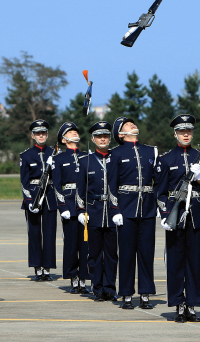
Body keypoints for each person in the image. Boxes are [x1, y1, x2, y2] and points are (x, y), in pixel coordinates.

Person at [156, 114, 200, 323]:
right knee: (175, 262)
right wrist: (165, 214)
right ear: (175, 134)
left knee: (193, 262)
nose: (186, 134)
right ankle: (178, 304)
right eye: (182, 131)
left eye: (189, 131)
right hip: (175, 214)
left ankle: (191, 304)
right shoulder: (165, 159)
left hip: (195, 216)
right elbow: (161, 192)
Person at [109, 117, 158, 309]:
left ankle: (145, 294)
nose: (133, 125)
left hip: (147, 208)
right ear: (120, 134)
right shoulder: (116, 153)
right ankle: (127, 294)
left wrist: (161, 206)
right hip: (126, 209)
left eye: (133, 123)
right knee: (127, 254)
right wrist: (115, 209)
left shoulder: (150, 151)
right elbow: (111, 184)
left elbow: (159, 181)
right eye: (128, 125)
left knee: (146, 253)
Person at [76, 121, 118, 302]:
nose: (103, 139)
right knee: (94, 253)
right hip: (93, 211)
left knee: (111, 254)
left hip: (112, 212)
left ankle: (110, 287)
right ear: (93, 139)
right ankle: (97, 287)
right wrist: (80, 209)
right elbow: (80, 188)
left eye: (106, 136)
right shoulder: (85, 161)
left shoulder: (116, 159)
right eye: (99, 136)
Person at [20, 120, 63, 282]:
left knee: (50, 233)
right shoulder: (26, 155)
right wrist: (29, 200)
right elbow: (24, 181)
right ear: (32, 135)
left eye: (43, 133)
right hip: (34, 197)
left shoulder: (54, 153)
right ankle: (37, 266)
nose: (41, 135)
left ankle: (47, 267)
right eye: (38, 133)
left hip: (50, 196)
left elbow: (58, 179)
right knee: (34, 233)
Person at [51, 122, 89, 294]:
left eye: (75, 131)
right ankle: (73, 276)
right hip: (69, 205)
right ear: (64, 139)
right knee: (72, 244)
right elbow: (57, 185)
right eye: (71, 132)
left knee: (86, 244)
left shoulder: (87, 156)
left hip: (86, 205)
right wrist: (62, 206)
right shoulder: (59, 159)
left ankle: (84, 277)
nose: (75, 134)